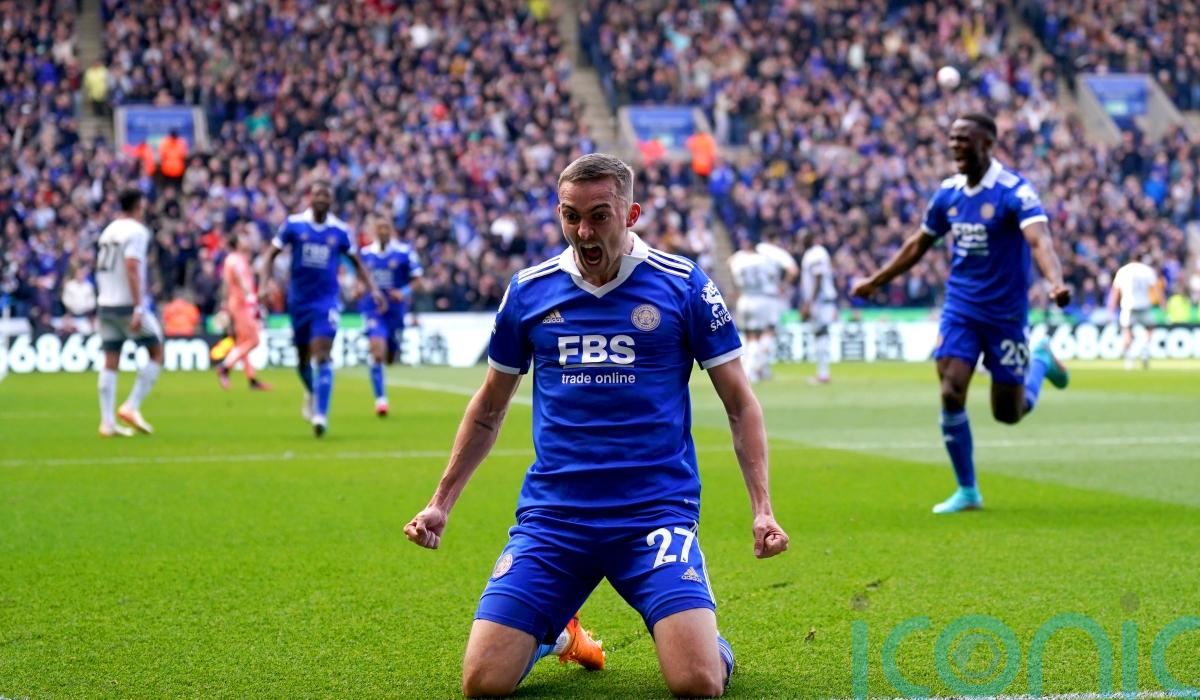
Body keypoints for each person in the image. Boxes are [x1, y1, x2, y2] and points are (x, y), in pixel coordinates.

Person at [404, 154, 789, 697]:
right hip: (555, 519)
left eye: (599, 216)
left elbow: (740, 404)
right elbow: (489, 408)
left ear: (630, 215)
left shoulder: (683, 285)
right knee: (483, 684)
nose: (583, 231)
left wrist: (762, 508)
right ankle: (558, 634)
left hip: (653, 514)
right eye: (571, 216)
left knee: (697, 683)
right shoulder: (530, 291)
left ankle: (707, 642)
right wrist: (440, 503)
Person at [851, 113, 1072, 514]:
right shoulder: (948, 193)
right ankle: (968, 490)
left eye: (963, 139)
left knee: (1009, 413)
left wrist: (1055, 281)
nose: (955, 145)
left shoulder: (1015, 192)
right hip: (961, 308)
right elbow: (918, 243)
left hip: (1005, 315)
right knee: (951, 390)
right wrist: (876, 280)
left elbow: (1040, 241)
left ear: (987, 143)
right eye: (952, 138)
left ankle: (1040, 359)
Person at [260, 180, 385, 437]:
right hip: (298, 302)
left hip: (326, 302)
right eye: (317, 194)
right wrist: (264, 285)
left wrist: (372, 289)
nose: (321, 199)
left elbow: (356, 262)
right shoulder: (294, 225)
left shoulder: (339, 230)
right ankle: (312, 392)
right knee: (302, 360)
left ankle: (320, 416)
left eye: (325, 195)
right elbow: (270, 255)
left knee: (322, 354)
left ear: (331, 200)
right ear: (310, 197)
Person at [94, 187, 163, 437]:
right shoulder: (137, 231)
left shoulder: (109, 230)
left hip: (105, 303)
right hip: (126, 304)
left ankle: (107, 423)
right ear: (138, 205)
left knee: (110, 359)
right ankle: (131, 406)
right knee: (157, 351)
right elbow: (132, 266)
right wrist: (138, 306)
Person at [359, 214, 423, 416]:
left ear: (391, 230)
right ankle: (381, 400)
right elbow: (359, 279)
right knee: (377, 352)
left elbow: (418, 279)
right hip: (373, 310)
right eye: (380, 228)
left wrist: (403, 292)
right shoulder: (365, 254)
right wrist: (358, 289)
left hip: (395, 312)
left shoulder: (404, 253)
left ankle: (388, 358)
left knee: (389, 356)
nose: (383, 232)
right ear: (374, 232)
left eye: (386, 228)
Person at [217, 227, 270, 391]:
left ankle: (252, 379)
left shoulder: (233, 259)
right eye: (243, 239)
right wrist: (251, 298)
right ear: (237, 244)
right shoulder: (236, 260)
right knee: (254, 340)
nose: (246, 241)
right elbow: (242, 281)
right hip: (242, 305)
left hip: (236, 303)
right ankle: (225, 366)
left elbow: (227, 284)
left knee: (242, 342)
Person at [728, 236, 782, 382]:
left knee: (748, 335)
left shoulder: (738, 260)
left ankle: (752, 368)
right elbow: (772, 275)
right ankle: (752, 369)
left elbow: (730, 266)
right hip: (761, 298)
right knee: (763, 334)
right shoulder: (763, 259)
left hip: (744, 298)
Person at [1108, 255, 1161, 370]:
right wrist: (1162, 303)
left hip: (1128, 305)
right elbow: (1156, 288)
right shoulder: (1147, 270)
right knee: (1150, 328)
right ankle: (1144, 348)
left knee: (1126, 331)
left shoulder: (1123, 270)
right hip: (1144, 305)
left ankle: (1129, 358)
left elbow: (1116, 290)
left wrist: (1112, 306)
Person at [800, 230, 837, 384]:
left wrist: (809, 302)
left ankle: (823, 374)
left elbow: (818, 277)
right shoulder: (815, 253)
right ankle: (822, 373)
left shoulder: (815, 253)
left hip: (821, 301)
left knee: (821, 334)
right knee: (820, 335)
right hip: (821, 300)